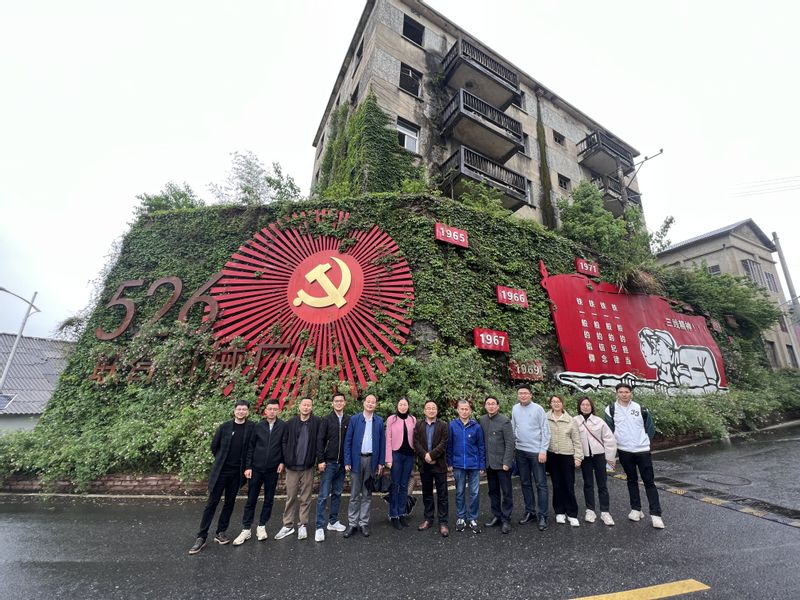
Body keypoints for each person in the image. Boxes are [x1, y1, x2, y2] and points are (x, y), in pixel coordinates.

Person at [189, 399, 254, 555]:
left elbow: (250, 449)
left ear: (247, 411)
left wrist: (247, 467)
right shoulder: (225, 427)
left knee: (229, 503)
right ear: (234, 410)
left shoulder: (251, 427)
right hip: (221, 472)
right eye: (239, 409)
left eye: (244, 409)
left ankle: (220, 532)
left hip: (236, 473)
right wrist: (221, 460)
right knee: (212, 503)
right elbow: (214, 446)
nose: (241, 411)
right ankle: (201, 537)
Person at [604, 382, 664, 529]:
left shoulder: (641, 408)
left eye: (626, 392)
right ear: (616, 393)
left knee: (649, 482)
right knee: (631, 480)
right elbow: (609, 431)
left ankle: (656, 514)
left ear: (631, 393)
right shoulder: (610, 409)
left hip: (642, 450)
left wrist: (644, 442)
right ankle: (636, 509)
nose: (624, 394)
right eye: (621, 392)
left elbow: (650, 428)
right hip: (624, 450)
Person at [232, 399, 286, 545]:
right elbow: (250, 448)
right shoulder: (258, 426)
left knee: (269, 499)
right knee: (251, 499)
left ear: (278, 411)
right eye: (270, 409)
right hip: (256, 469)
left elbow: (284, 445)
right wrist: (248, 467)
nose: (272, 411)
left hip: (272, 469)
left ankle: (261, 526)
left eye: (275, 409)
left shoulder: (283, 426)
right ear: (265, 411)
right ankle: (246, 529)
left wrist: (282, 462)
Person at [275, 397, 320, 541]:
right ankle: (288, 525)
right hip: (292, 466)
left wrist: (317, 459)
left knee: (306, 497)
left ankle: (303, 524)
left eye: (309, 405)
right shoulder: (291, 423)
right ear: (299, 406)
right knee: (291, 497)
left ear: (312, 407)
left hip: (307, 466)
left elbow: (320, 442)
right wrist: (286, 458)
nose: (306, 407)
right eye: (304, 405)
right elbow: (283, 441)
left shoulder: (317, 422)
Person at [343, 394, 385, 538]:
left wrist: (381, 462)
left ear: (375, 405)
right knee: (354, 493)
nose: (370, 404)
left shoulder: (379, 421)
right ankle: (352, 523)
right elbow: (348, 441)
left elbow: (382, 443)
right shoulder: (355, 419)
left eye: (373, 402)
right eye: (368, 401)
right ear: (364, 403)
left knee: (367, 493)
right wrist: (347, 461)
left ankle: (363, 523)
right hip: (356, 459)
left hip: (371, 460)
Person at [511, 385, 551, 531]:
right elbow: (513, 427)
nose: (523, 395)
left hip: (536, 452)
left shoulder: (538, 409)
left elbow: (545, 430)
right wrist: (513, 447)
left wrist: (543, 450)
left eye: (525, 393)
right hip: (520, 451)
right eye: (520, 393)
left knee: (541, 484)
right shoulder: (515, 408)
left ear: (531, 395)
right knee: (525, 483)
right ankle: (530, 512)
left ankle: (543, 515)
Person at [574, 396, 616, 526]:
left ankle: (605, 512)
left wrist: (610, 458)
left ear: (591, 406)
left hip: (599, 456)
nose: (585, 407)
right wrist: (576, 457)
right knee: (588, 484)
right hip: (585, 457)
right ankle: (590, 510)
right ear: (579, 407)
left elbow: (609, 440)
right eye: (583, 404)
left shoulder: (599, 421)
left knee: (602, 484)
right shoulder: (575, 421)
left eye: (588, 405)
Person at [314, 393, 350, 542]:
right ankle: (319, 527)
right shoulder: (327, 419)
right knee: (323, 495)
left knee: (337, 493)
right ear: (332, 403)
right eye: (336, 401)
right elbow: (320, 440)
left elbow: (349, 442)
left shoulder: (348, 419)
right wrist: (321, 460)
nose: (339, 403)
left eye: (341, 401)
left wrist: (348, 461)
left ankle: (333, 522)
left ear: (345, 403)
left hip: (341, 463)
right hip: (328, 463)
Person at [447, 399, 486, 534]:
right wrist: (450, 462)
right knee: (459, 492)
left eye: (466, 409)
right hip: (458, 464)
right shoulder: (452, 425)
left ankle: (473, 518)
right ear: (457, 410)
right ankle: (461, 517)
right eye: (461, 409)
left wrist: (482, 464)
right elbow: (449, 445)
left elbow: (481, 446)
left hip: (474, 464)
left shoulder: (476, 427)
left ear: (470, 410)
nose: (464, 411)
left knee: (474, 493)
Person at [413, 400, 450, 537]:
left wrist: (432, 455)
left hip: (439, 464)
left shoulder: (443, 425)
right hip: (425, 464)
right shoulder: (418, 425)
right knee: (427, 493)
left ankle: (443, 522)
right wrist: (425, 456)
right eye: (428, 408)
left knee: (442, 494)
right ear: (424, 411)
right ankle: (428, 519)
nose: (431, 410)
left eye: (433, 408)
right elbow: (416, 443)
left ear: (437, 410)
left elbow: (444, 443)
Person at [546, 395, 583, 527]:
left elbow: (577, 440)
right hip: (552, 455)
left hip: (567, 455)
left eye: (558, 401)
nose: (556, 404)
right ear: (550, 404)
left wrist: (578, 457)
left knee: (568, 484)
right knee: (556, 484)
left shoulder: (570, 420)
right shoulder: (545, 418)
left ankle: (572, 513)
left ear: (562, 403)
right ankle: (559, 511)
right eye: (553, 401)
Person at [479, 396, 514, 534]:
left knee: (506, 492)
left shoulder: (504, 421)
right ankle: (497, 515)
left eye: (493, 404)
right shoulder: (482, 420)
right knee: (493, 491)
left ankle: (506, 518)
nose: (491, 406)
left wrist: (507, 462)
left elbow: (510, 443)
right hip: (489, 464)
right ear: (485, 406)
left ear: (498, 406)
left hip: (502, 464)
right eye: (488, 404)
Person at [385, 397, 417, 529]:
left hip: (409, 455)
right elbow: (388, 439)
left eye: (405, 404)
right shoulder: (391, 419)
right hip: (396, 455)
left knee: (404, 485)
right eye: (400, 404)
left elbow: (416, 438)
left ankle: (402, 513)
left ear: (408, 406)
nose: (403, 407)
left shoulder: (413, 419)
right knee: (395, 485)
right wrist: (388, 459)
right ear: (397, 406)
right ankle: (393, 515)